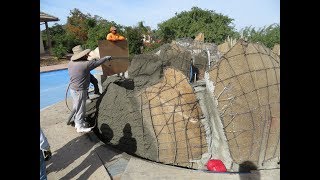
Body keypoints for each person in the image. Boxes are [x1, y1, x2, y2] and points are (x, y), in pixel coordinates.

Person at [68, 45, 112, 133]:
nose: (87, 55)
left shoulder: (71, 63)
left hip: (73, 89)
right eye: (86, 54)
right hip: (80, 90)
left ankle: (77, 122)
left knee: (76, 106)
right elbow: (98, 63)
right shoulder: (85, 64)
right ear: (82, 55)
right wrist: (106, 58)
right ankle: (79, 127)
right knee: (81, 108)